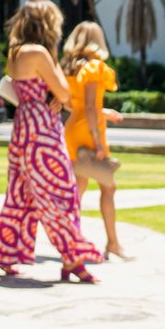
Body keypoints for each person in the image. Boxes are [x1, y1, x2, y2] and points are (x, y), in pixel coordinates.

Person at [0, 0, 104, 283]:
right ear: (47, 25)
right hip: (43, 133)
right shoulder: (39, 52)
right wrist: (56, 88)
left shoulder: (15, 53)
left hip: (23, 128)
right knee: (61, 194)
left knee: (20, 195)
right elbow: (63, 92)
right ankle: (73, 260)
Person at [62, 22, 126, 260]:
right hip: (89, 131)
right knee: (108, 187)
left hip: (73, 128)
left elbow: (72, 104)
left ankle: (70, 239)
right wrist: (99, 143)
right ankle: (113, 243)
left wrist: (103, 111)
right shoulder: (94, 67)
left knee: (78, 187)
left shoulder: (68, 68)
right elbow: (89, 105)